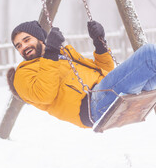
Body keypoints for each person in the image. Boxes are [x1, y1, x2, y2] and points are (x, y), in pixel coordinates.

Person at [11, 20, 156, 128]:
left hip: (105, 91)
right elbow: (44, 95)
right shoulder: (23, 74)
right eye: (19, 46)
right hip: (91, 105)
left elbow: (104, 71)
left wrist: (99, 44)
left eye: (26, 40)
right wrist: (50, 53)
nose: (23, 47)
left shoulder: (62, 54)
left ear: (40, 38)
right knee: (149, 54)